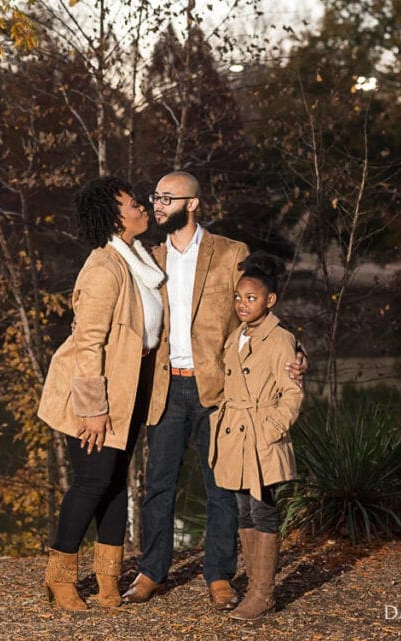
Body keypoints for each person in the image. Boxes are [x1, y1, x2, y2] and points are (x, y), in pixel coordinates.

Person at [123, 171, 307, 610]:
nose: (159, 205)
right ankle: (152, 571)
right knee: (158, 486)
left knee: (220, 487)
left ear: (193, 203)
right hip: (165, 389)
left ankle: (220, 576)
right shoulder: (147, 255)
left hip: (219, 391)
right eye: (156, 197)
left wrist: (296, 353)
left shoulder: (230, 252)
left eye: (168, 198)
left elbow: (257, 310)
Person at [37, 176, 165, 611]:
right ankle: (60, 579)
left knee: (114, 482)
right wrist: (93, 410)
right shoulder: (104, 267)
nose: (142, 207)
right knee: (92, 482)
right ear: (114, 216)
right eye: (133, 204)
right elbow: (89, 342)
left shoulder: (137, 260)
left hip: (131, 389)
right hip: (95, 392)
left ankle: (109, 580)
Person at [210, 251, 304, 620]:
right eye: (238, 297)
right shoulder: (237, 335)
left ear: (270, 300)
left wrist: (272, 429)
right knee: (242, 511)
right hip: (235, 437)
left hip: (261, 438)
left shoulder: (280, 339)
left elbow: (292, 392)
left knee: (263, 511)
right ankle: (254, 588)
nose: (242, 304)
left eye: (251, 298)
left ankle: (264, 594)